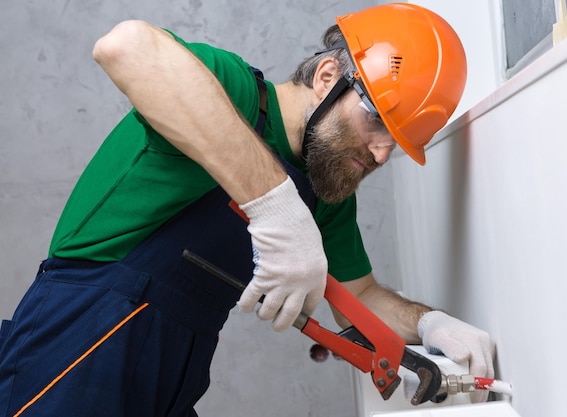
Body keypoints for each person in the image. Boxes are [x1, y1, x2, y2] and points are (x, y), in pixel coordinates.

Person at [0, 3, 495, 416]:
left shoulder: (325, 186)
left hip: (177, 371)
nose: (382, 153)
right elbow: (125, 47)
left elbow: (359, 295)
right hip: (82, 341)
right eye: (377, 121)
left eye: (398, 142)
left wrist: (432, 323)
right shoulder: (230, 90)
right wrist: (277, 208)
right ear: (327, 77)